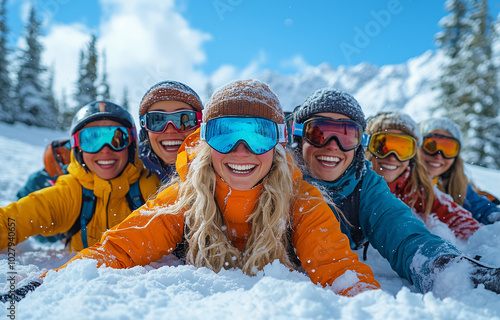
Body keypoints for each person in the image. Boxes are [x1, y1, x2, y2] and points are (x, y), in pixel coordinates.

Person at [47, 80, 381, 297]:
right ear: (207, 142)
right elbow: (119, 249)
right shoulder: (185, 196)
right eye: (224, 134)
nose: (241, 150)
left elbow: (339, 269)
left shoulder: (301, 200)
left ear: (277, 145)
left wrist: (372, 309)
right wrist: (51, 282)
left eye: (258, 135)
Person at [290, 87, 500, 294]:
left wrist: (447, 268)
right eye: (318, 133)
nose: (333, 145)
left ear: (359, 144)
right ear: (299, 136)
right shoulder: (280, 179)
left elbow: (402, 231)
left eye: (347, 136)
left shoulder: (367, 185)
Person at [0, 101, 160, 252]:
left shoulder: (151, 188)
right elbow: (12, 222)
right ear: (78, 149)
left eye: (117, 139)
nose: (105, 150)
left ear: (131, 145)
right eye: (91, 140)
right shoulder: (70, 194)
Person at [365, 111, 483, 241]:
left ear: (413, 154)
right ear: (367, 147)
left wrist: (484, 239)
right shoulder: (352, 183)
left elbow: (455, 216)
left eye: (403, 149)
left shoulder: (414, 186)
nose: (392, 157)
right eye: (382, 147)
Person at [420, 118, 500, 225]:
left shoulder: (456, 184)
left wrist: (496, 217)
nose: (438, 155)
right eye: (430, 146)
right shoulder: (403, 181)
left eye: (448, 149)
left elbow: (482, 209)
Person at [138, 80, 204, 183]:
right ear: (145, 131)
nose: (170, 130)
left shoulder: (225, 177)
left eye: (183, 119)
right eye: (157, 120)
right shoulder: (130, 179)